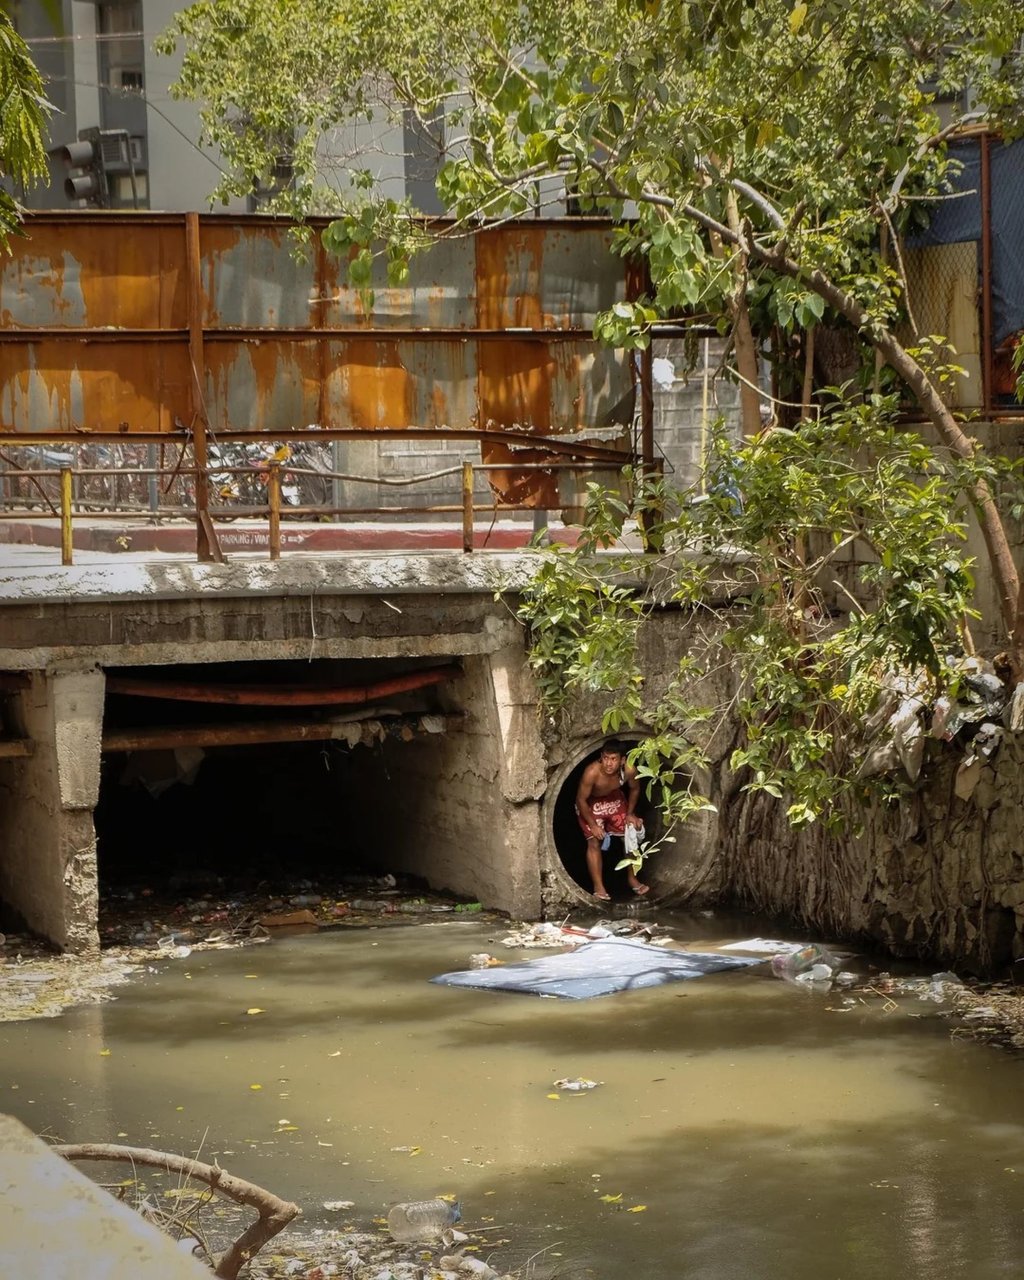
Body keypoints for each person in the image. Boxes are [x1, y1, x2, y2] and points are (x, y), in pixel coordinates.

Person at [575, 739, 649, 901]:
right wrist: (593, 825)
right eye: (606, 758)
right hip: (590, 804)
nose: (608, 763)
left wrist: (630, 813)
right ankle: (598, 886)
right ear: (601, 757)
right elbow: (581, 799)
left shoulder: (629, 770)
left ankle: (632, 879)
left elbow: (635, 789)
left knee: (630, 834)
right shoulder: (592, 772)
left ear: (622, 760)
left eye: (613, 759)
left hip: (614, 798)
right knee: (594, 840)